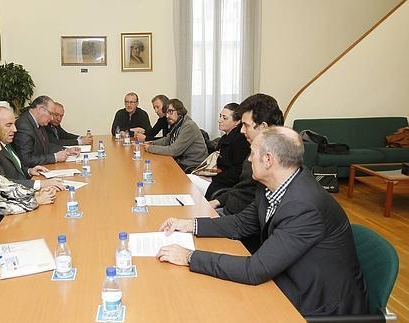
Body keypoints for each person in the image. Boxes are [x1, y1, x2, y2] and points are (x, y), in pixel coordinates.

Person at [157, 127, 368, 317]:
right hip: (288, 277)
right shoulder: (273, 185)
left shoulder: (304, 206)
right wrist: (190, 224)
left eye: (252, 153)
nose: (249, 159)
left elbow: (254, 270)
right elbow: (241, 223)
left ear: (268, 160)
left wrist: (189, 257)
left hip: (318, 303)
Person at [0, 106, 65, 191]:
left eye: (14, 124)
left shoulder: (6, 143)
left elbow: (16, 170)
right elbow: (4, 183)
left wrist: (29, 171)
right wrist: (40, 184)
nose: (15, 129)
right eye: (8, 125)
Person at [192, 103, 250, 195]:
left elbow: (237, 172)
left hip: (223, 185)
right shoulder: (225, 138)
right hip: (215, 178)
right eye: (220, 116)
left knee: (188, 181)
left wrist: (211, 177)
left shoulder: (240, 141)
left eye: (224, 118)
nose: (219, 120)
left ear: (237, 122)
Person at [13, 95, 79, 167]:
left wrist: (66, 151)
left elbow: (46, 145)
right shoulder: (23, 125)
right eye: (50, 114)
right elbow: (26, 160)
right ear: (40, 109)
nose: (51, 118)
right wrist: (55, 157)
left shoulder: (39, 122)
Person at [144, 98, 207, 173]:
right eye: (166, 113)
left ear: (179, 111)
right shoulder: (178, 123)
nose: (167, 116)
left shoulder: (189, 126)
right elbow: (167, 139)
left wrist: (150, 148)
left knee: (159, 170)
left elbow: (174, 151)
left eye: (170, 112)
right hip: (182, 161)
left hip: (192, 166)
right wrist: (152, 143)